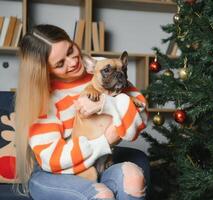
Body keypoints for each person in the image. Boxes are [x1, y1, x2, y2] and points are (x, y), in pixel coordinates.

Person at [14, 24, 149, 200]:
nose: (73, 62)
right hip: (57, 172)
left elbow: (142, 114)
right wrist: (106, 140)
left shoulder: (100, 67)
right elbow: (52, 159)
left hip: (102, 160)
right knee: (102, 195)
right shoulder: (41, 98)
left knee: (133, 178)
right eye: (60, 63)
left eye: (71, 50)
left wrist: (105, 103)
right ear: (44, 69)